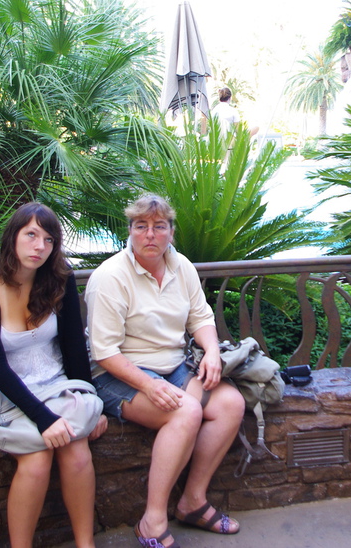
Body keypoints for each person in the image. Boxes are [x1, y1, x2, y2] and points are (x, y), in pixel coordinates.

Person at [86, 193, 245, 548]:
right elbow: (104, 352)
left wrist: (212, 351)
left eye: (159, 226)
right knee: (185, 411)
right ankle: (152, 521)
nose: (150, 235)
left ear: (171, 232)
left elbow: (200, 317)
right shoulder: (110, 277)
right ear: (129, 231)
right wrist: (148, 385)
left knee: (230, 404)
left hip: (172, 366)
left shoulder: (180, 266)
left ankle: (192, 501)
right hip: (116, 375)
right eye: (141, 226)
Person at [0, 202, 108, 548]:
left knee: (76, 450)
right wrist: (44, 420)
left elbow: (74, 347)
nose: (39, 246)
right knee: (37, 458)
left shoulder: (60, 280)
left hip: (55, 385)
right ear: (12, 236)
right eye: (31, 235)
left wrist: (93, 402)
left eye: (48, 239)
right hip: (0, 393)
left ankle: (85, 544)